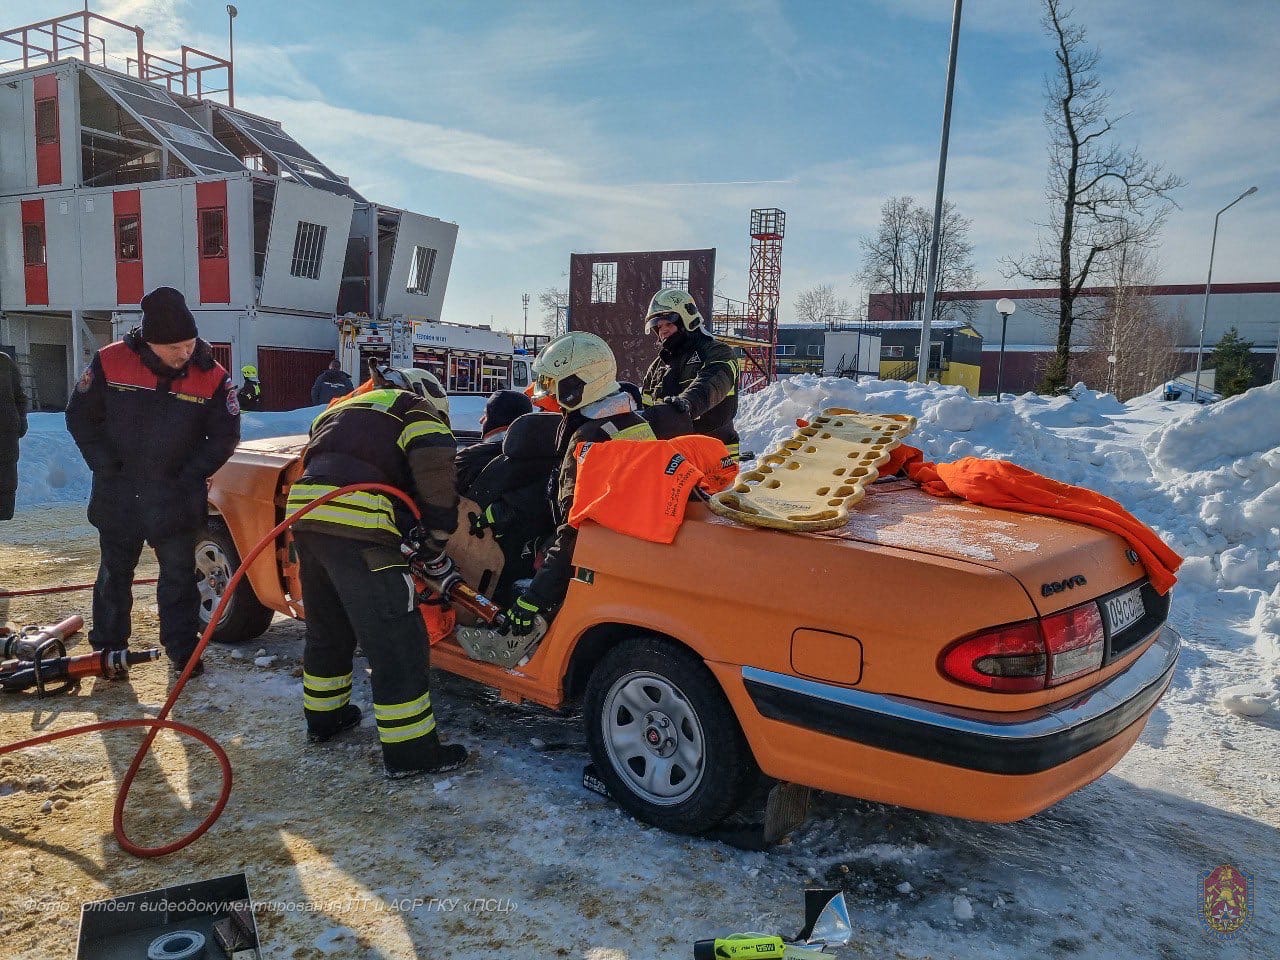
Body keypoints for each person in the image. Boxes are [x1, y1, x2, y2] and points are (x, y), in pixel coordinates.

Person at [285, 362, 467, 778]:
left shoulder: (343, 408)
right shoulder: (416, 409)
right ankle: (412, 754)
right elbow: (437, 474)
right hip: (362, 529)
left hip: (306, 521)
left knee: (328, 630)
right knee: (397, 642)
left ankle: (325, 720)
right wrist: (435, 539)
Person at [66, 286, 241, 676]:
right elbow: (80, 417)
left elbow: (226, 435)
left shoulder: (211, 376)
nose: (186, 353)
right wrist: (104, 464)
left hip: (176, 496)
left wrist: (191, 473)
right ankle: (109, 652)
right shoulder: (111, 362)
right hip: (119, 493)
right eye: (176, 346)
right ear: (150, 342)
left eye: (190, 343)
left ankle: (183, 651)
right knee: (115, 573)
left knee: (179, 577)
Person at [504, 333, 655, 635]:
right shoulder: (633, 421)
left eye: (554, 384)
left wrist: (535, 597)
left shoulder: (590, 439)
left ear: (578, 385)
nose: (548, 394)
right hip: (631, 555)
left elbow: (576, 529)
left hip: (595, 562)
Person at [455, 390, 557, 605]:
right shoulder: (554, 462)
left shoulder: (471, 459)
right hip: (533, 573)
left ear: (493, 419)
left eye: (486, 413)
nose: (481, 419)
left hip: (473, 575)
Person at [639, 287, 741, 459]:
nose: (663, 330)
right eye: (658, 326)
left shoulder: (717, 352)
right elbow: (645, 412)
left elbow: (712, 382)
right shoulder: (658, 366)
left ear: (687, 319)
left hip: (713, 460)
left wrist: (686, 404)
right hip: (673, 463)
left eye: (669, 323)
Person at [0, 347, 29, 522]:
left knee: (6, 476)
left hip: (6, 432)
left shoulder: (5, 362)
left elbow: (20, 395)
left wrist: (21, 419)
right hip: (8, 429)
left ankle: (4, 513)